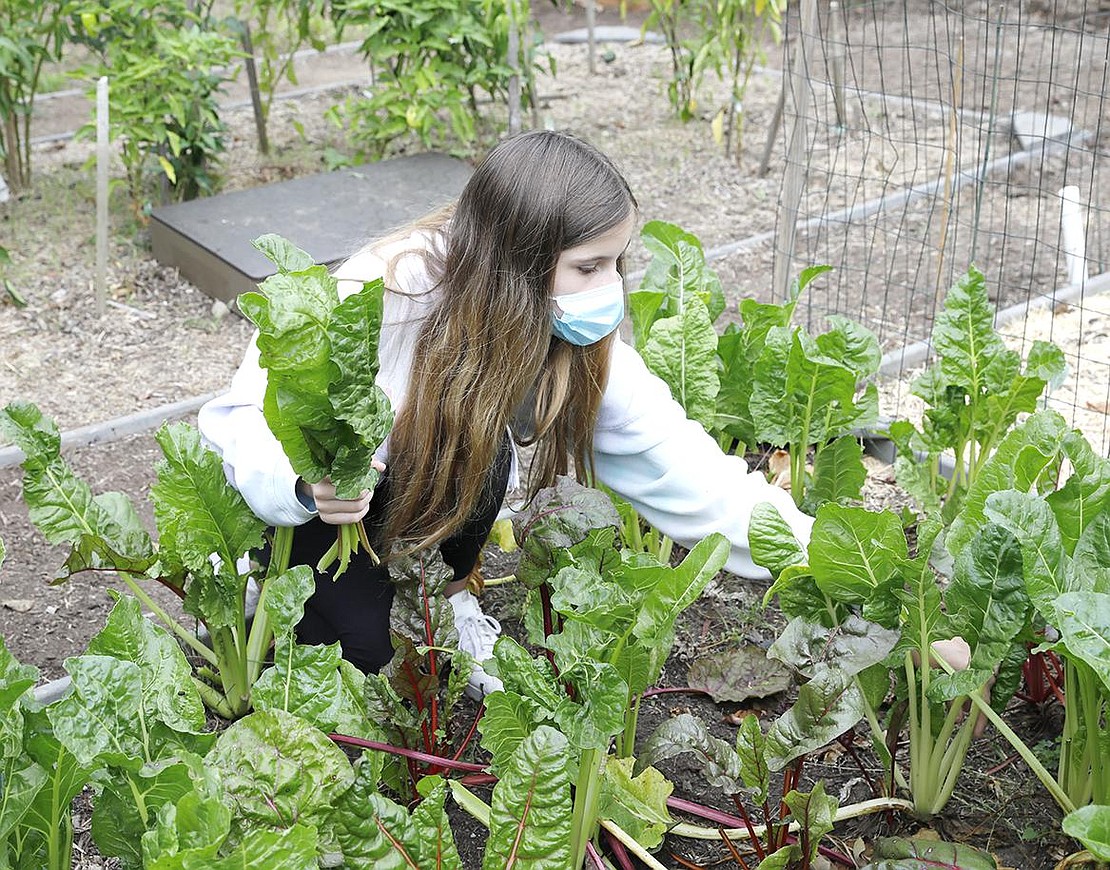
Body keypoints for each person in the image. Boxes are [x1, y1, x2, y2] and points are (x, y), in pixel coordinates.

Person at [198, 129, 813, 700]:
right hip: (315, 517)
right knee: (373, 663)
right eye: (589, 267)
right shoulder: (386, 292)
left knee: (478, 448)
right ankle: (272, 594)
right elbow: (241, 421)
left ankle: (451, 592)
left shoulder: (572, 332)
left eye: (617, 263)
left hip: (406, 508)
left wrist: (815, 555)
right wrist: (304, 484)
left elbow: (683, 468)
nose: (611, 288)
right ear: (517, 260)